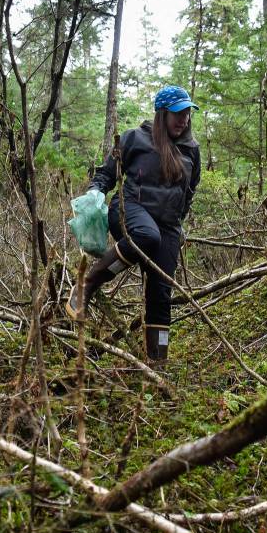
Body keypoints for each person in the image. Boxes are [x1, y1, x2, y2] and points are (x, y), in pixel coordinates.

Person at [66, 85, 201, 363]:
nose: (184, 119)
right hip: (130, 210)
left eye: (187, 113)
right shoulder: (135, 138)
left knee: (161, 291)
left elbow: (189, 192)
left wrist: (179, 223)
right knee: (147, 237)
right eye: (177, 113)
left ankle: (157, 362)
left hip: (169, 226)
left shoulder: (191, 151)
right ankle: (87, 284)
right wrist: (96, 191)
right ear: (162, 114)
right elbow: (107, 173)